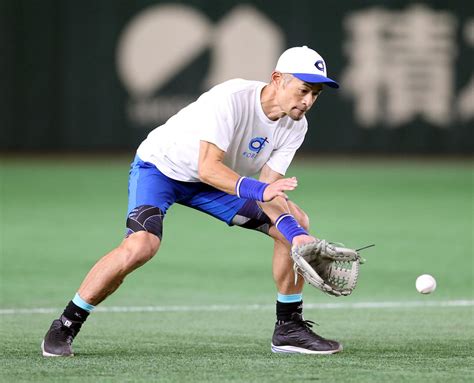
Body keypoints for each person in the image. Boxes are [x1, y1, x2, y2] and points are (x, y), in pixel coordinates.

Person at [42, 45, 345, 356]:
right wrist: (259, 191)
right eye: (304, 89)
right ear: (278, 79)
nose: (308, 101)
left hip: (217, 184)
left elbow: (269, 189)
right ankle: (65, 324)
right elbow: (208, 167)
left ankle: (289, 328)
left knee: (296, 222)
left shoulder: (295, 126)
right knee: (140, 246)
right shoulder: (232, 99)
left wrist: (297, 237)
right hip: (162, 169)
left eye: (316, 94)